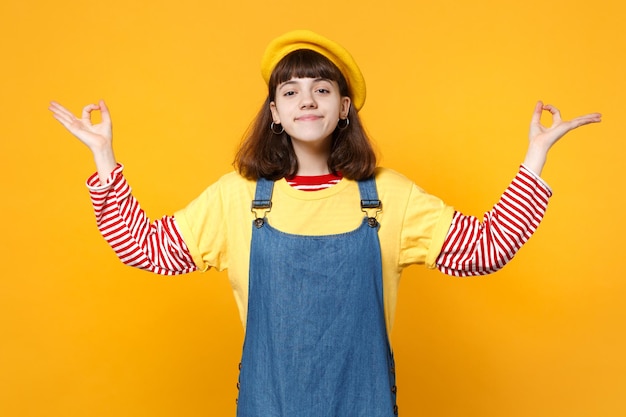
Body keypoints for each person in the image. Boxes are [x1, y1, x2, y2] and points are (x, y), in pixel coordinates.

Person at [49, 30, 601, 417]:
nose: (305, 99)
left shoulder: (388, 195)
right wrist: (103, 159)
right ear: (274, 112)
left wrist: (534, 159)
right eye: (289, 91)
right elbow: (147, 248)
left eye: (321, 88)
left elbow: (485, 249)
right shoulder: (237, 198)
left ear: (343, 108)